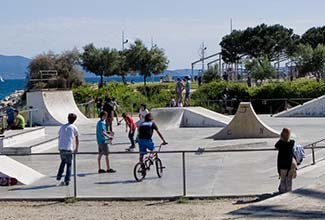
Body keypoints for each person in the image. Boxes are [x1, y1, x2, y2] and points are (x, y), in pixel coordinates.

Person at [56, 113, 79, 186]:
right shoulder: (74, 127)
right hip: (68, 148)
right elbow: (77, 139)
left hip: (61, 147)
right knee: (69, 164)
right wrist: (76, 148)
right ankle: (67, 180)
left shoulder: (62, 127)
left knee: (63, 161)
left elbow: (59, 135)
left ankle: (59, 175)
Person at [275, 128, 297, 194]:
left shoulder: (280, 143)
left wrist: (281, 138)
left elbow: (276, 146)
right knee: (289, 179)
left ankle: (282, 191)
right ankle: (288, 192)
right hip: (290, 164)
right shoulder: (292, 142)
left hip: (282, 164)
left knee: (283, 179)